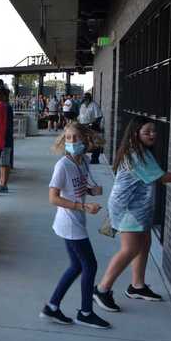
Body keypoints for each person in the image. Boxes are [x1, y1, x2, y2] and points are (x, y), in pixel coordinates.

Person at [93, 117, 171, 312]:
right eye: (147, 132)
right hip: (129, 209)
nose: (152, 134)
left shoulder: (141, 150)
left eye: (154, 131)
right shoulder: (136, 153)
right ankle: (102, 289)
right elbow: (161, 177)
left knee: (145, 243)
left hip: (138, 208)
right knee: (130, 249)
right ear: (136, 133)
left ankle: (137, 286)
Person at [40, 123, 110, 328]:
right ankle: (86, 312)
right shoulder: (63, 165)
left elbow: (79, 187)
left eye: (75, 138)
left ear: (85, 140)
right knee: (90, 265)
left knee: (77, 265)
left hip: (76, 219)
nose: (71, 142)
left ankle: (52, 307)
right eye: (68, 138)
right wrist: (83, 206)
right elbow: (53, 198)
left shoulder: (84, 161)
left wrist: (92, 190)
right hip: (70, 222)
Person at [77, 92, 103, 164]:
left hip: (92, 126)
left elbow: (99, 117)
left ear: (89, 99)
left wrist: (92, 124)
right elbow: (80, 116)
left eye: (85, 99)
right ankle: (82, 158)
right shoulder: (82, 105)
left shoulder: (94, 105)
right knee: (83, 143)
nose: (84, 100)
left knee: (95, 143)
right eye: (83, 99)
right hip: (83, 126)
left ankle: (95, 159)